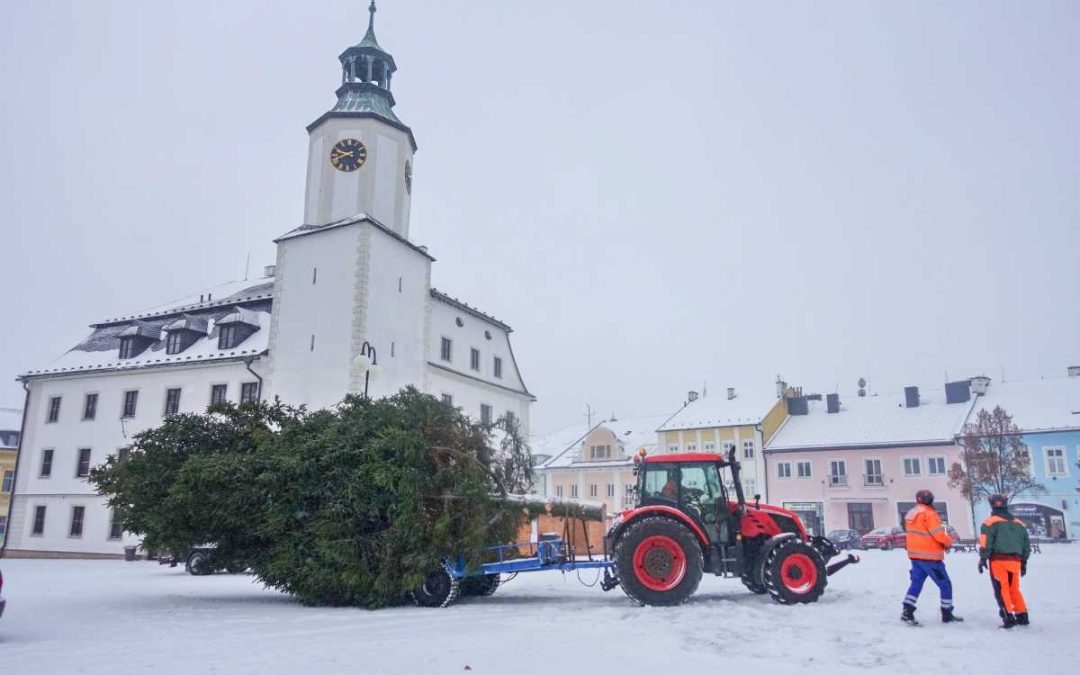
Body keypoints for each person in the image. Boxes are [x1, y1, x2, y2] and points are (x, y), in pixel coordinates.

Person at [900, 489, 962, 624]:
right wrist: (949, 542)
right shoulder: (929, 514)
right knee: (945, 584)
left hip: (915, 556)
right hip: (930, 558)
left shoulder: (911, 513)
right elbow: (938, 534)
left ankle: (907, 611)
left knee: (916, 583)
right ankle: (947, 613)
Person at [978, 494, 1031, 628]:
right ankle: (1022, 615)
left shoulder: (989, 523)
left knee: (1002, 589)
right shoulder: (1019, 524)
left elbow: (985, 543)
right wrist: (1024, 562)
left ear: (991, 504)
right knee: (1014, 589)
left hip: (998, 561)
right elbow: (1026, 545)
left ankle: (1008, 617)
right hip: (1016, 561)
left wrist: (983, 558)